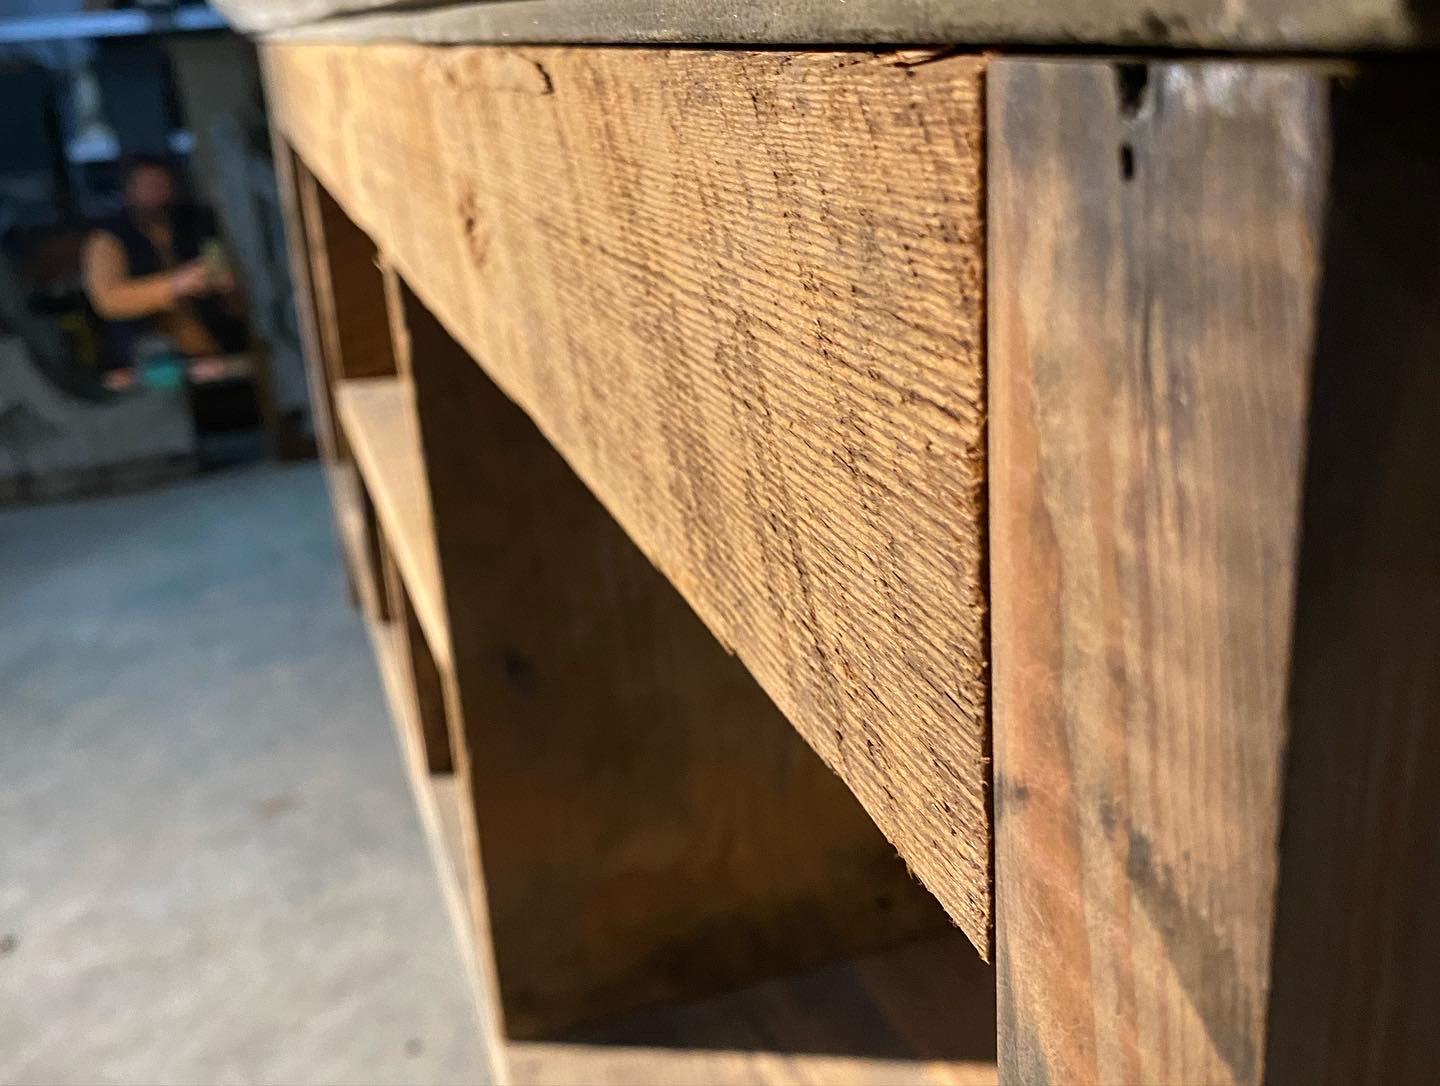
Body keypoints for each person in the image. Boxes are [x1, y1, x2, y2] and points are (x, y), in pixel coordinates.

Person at [82, 155, 247, 388]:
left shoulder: (195, 225)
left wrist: (225, 284)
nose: (158, 194)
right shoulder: (108, 240)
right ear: (130, 191)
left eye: (163, 186)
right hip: (146, 362)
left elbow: (226, 272)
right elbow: (107, 298)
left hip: (214, 352)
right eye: (149, 186)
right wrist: (174, 285)